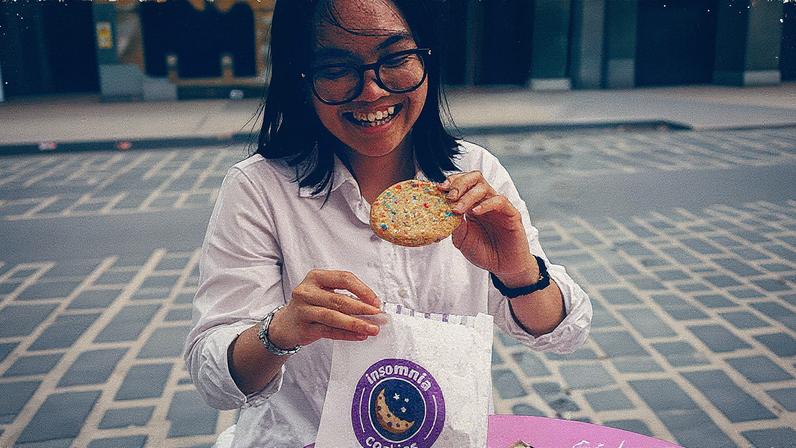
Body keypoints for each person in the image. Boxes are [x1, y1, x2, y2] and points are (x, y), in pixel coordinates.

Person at [184, 0, 592, 446]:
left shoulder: (476, 174)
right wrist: (282, 330)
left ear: (427, 58)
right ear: (301, 78)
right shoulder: (258, 188)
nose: (372, 90)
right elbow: (215, 377)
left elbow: (561, 334)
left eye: (396, 58)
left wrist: (518, 273)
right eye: (336, 68)